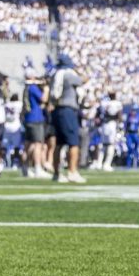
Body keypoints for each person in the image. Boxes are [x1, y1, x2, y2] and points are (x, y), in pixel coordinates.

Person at [50, 54, 87, 184]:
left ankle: (56, 173)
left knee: (59, 144)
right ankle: (72, 171)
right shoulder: (68, 75)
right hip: (68, 109)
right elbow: (83, 79)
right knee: (73, 142)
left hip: (57, 109)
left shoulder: (55, 74)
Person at [23, 71, 49, 178]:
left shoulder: (27, 87)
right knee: (38, 144)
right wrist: (46, 90)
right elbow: (44, 99)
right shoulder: (33, 87)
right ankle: (37, 168)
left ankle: (25, 168)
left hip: (29, 118)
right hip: (35, 118)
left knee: (29, 145)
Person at [96, 92, 123, 172]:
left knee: (103, 144)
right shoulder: (117, 103)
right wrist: (120, 124)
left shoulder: (104, 103)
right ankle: (107, 164)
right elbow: (119, 114)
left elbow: (99, 113)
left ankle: (99, 163)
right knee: (111, 144)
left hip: (104, 124)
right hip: (112, 124)